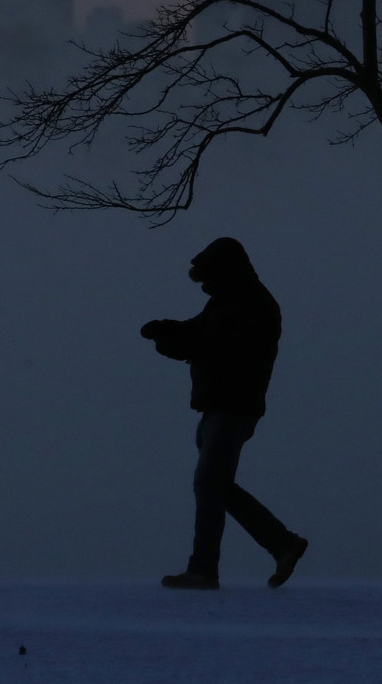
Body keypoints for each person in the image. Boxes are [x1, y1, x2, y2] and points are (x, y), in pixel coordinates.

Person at [140, 236, 308, 590]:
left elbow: (228, 351)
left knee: (211, 482)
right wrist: (167, 329)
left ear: (225, 271)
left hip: (235, 405)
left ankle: (271, 546)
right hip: (219, 404)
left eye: (208, 279)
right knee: (212, 485)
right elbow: (200, 333)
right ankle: (213, 565)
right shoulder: (227, 301)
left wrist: (180, 342)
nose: (205, 287)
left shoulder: (255, 305)